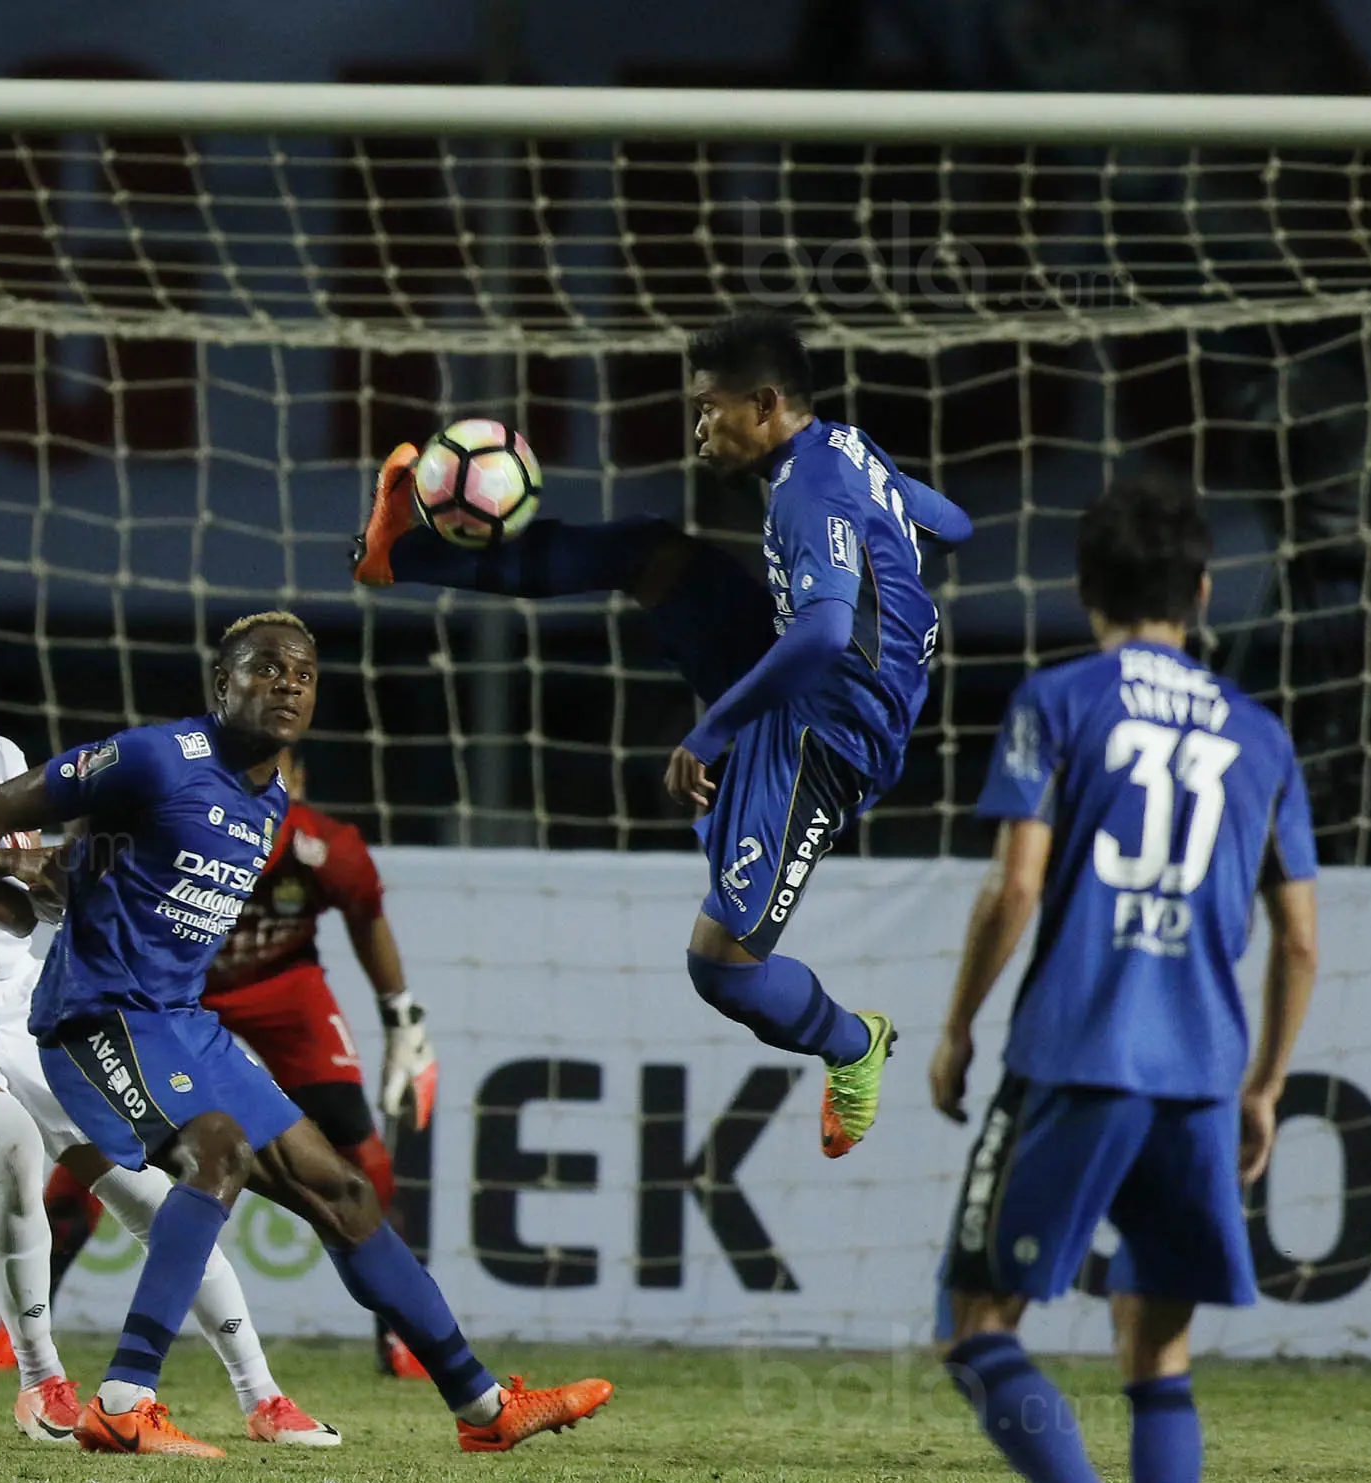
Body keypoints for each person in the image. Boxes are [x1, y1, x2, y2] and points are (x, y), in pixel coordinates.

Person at [0, 611, 611, 1459]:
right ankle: (126, 1397)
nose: (288, 683)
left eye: (304, 673)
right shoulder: (155, 756)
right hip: (96, 1016)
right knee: (216, 1153)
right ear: (222, 684)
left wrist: (73, 871)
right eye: (266, 668)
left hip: (182, 1024)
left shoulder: (270, 798)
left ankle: (483, 1404)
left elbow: (96, 867)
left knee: (344, 1193)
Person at [353, 311, 954, 1159]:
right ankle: (394, 554)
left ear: (766, 404)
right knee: (649, 553)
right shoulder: (842, 452)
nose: (698, 429)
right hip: (807, 672)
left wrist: (709, 733)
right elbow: (952, 522)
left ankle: (853, 1043)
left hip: (825, 736)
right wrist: (895, 555)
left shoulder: (810, 488)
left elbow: (821, 633)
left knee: (722, 967)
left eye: (708, 409)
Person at [922, 475, 1318, 1483]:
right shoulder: (1261, 732)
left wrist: (956, 1025)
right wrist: (1265, 1083)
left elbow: (1018, 885)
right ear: (1202, 591)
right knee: (1159, 1342)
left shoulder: (1058, 698)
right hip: (1201, 1069)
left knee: (972, 1319)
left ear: (1085, 588)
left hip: (1081, 1052)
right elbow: (1299, 935)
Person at [0, 596, 337, 1447]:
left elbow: (47, 875)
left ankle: (262, 1395)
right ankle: (42, 1383)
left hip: (25, 1000)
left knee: (155, 1190)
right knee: (10, 1150)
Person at [0, 748, 443, 1379]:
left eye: (277, 770)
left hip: (282, 989)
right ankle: (20, 1326)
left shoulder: (325, 847)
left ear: (296, 780)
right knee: (100, 1151)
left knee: (356, 1145)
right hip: (174, 988)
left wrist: (403, 1018)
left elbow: (367, 917)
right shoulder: (179, 814)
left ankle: (402, 1339)